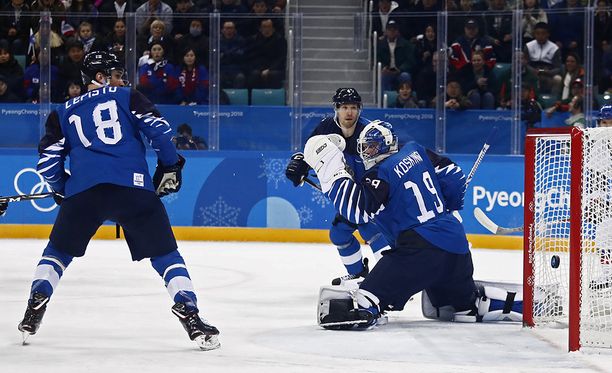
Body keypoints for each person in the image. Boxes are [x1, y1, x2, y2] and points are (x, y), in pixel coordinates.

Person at [16, 51, 220, 350]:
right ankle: (189, 313)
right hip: (133, 189)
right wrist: (169, 165)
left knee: (57, 253)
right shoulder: (128, 96)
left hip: (83, 194)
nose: (122, 78)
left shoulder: (62, 112)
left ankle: (36, 301)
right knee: (166, 255)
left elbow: (47, 162)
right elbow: (160, 134)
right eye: (114, 72)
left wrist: (64, 188)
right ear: (99, 77)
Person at [304, 120, 523, 329]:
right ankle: (520, 303)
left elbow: (356, 211)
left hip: (419, 252)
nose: (366, 153)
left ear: (385, 146)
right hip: (457, 246)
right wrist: (450, 205)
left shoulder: (380, 174)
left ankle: (367, 307)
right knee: (464, 306)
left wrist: (331, 172)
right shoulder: (416, 150)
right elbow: (453, 174)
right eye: (365, 148)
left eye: (371, 148)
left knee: (364, 300)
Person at [285, 88, 390, 284]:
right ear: (336, 109)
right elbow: (312, 152)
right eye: (344, 107)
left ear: (359, 109)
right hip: (348, 193)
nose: (349, 112)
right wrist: (299, 164)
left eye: (353, 107)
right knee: (339, 234)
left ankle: (394, 276)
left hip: (372, 191)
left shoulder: (368, 131)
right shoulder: (325, 127)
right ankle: (358, 273)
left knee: (368, 228)